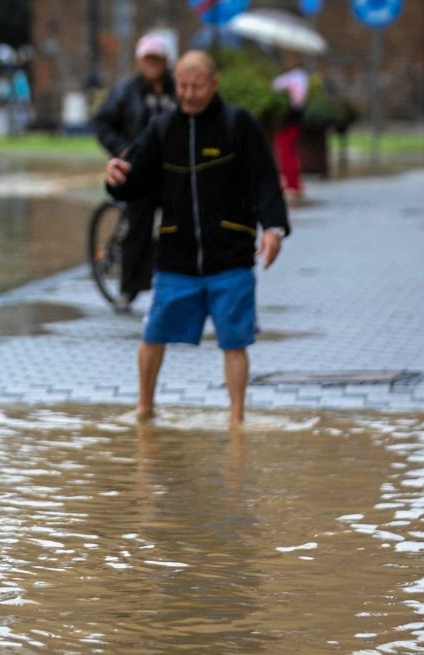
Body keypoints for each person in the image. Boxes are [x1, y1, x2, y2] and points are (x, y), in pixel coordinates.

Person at [104, 51, 290, 427]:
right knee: (152, 334)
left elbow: (265, 181)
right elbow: (134, 182)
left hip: (231, 257)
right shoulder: (161, 129)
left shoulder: (239, 125)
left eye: (196, 86)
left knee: (234, 341)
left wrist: (273, 228)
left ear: (214, 83)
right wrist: (116, 178)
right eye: (182, 86)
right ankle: (144, 409)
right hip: (177, 258)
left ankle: (237, 418)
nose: (188, 94)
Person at [92, 33, 176, 312]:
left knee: (180, 223)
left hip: (172, 169)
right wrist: (123, 150)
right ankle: (129, 288)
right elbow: (103, 123)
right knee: (137, 227)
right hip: (139, 169)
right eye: (148, 59)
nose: (153, 64)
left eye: (158, 59)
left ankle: (176, 282)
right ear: (140, 61)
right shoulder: (126, 90)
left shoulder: (177, 89)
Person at [271, 54, 309, 204]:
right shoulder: (295, 77)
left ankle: (293, 184)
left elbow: (296, 99)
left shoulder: (295, 78)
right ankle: (292, 183)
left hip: (289, 119)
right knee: (286, 151)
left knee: (287, 151)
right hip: (291, 119)